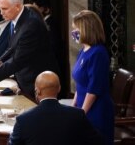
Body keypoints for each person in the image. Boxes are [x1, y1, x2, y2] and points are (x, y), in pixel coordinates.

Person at [0, 0, 59, 99]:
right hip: (24, 80)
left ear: (17, 6)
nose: (1, 13)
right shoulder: (18, 19)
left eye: (4, 8)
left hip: (37, 85)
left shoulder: (31, 25)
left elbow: (19, 59)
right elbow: (12, 48)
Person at [9, 71, 104, 145]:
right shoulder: (77, 115)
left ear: (37, 91)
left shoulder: (23, 120)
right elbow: (97, 141)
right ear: (59, 88)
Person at [71, 10, 114, 145]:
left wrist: (82, 113)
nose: (73, 33)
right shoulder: (82, 51)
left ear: (86, 29)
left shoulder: (98, 53)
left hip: (96, 111)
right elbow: (80, 83)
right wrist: (74, 107)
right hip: (83, 108)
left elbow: (93, 89)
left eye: (76, 29)